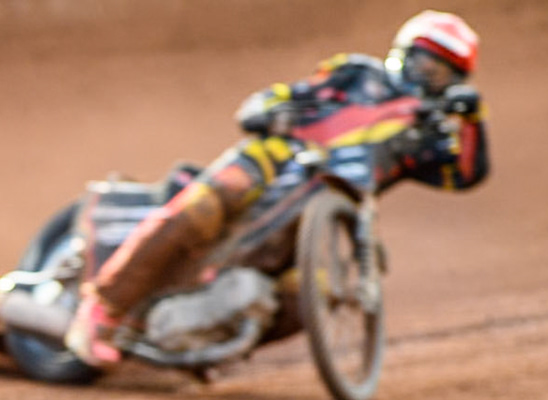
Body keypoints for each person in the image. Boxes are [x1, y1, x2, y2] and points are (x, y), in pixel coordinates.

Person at [64, 10, 489, 368]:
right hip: (276, 160)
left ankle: (207, 348)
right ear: (404, 55)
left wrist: (474, 122)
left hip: (321, 213)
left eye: (443, 71)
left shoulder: (423, 137)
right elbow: (279, 97)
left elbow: (465, 176)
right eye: (426, 62)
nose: (429, 75)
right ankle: (103, 309)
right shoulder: (359, 75)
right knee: (206, 207)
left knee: (305, 296)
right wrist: (272, 110)